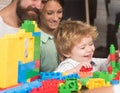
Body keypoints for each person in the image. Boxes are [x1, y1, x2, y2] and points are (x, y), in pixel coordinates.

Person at [39, 0, 64, 72]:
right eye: (49, 13)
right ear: (40, 13)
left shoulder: (66, 34)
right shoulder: (34, 39)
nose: (55, 18)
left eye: (59, 12)